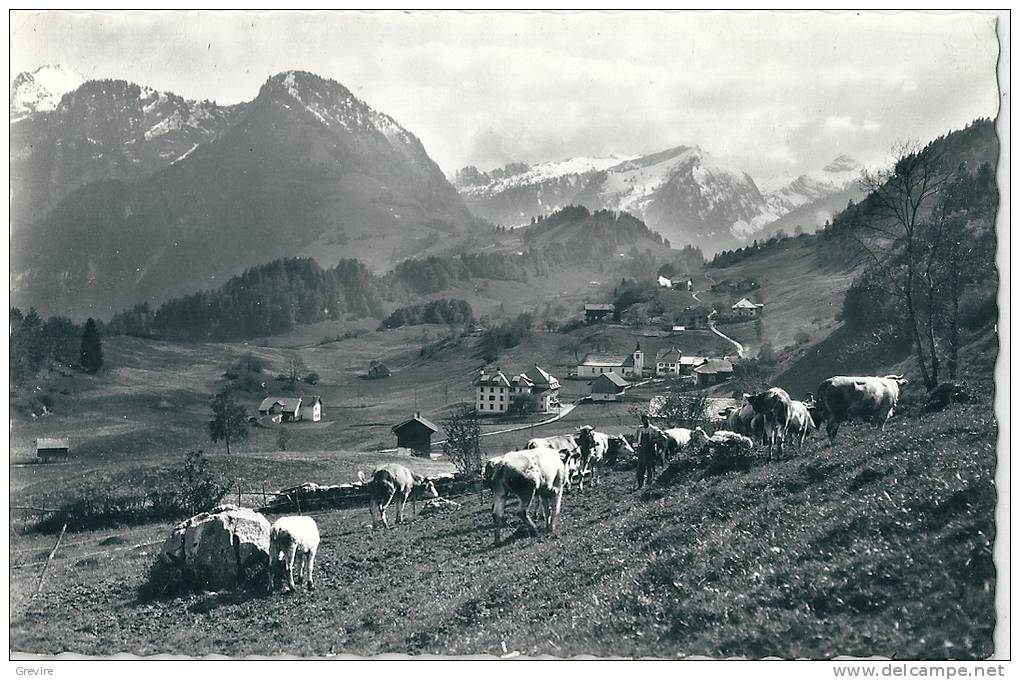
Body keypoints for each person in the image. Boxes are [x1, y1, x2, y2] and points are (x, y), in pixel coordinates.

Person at [635, 414, 666, 490]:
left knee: (650, 469)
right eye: (643, 420)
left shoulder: (654, 429)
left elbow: (664, 437)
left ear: (649, 420)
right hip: (641, 452)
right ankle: (640, 485)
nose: (645, 422)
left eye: (646, 420)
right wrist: (637, 448)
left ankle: (649, 486)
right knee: (640, 469)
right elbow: (636, 439)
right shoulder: (640, 429)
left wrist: (653, 441)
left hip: (650, 452)